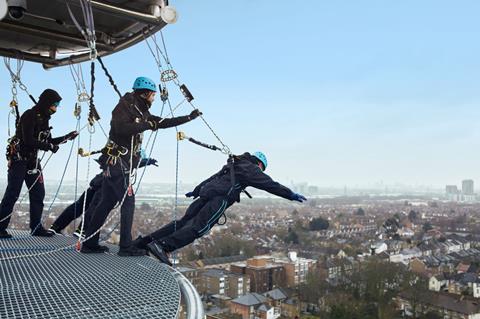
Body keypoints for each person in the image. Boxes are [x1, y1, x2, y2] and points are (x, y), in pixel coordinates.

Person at [81, 77, 202, 256]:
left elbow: (162, 122)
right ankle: (125, 247)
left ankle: (90, 243)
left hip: (116, 163)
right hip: (117, 162)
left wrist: (188, 118)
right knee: (128, 203)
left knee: (105, 203)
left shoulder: (140, 110)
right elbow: (120, 128)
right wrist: (146, 125)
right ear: (145, 94)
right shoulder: (125, 106)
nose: (154, 98)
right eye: (152, 95)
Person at [133, 151, 307, 265]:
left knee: (181, 223)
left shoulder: (234, 164)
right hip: (219, 200)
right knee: (197, 229)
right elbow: (270, 185)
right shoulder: (252, 169)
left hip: (205, 194)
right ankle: (163, 246)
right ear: (260, 165)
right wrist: (290, 194)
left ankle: (145, 242)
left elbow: (212, 178)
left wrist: (196, 190)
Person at [0, 89, 78, 238]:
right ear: (47, 103)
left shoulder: (44, 118)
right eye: (55, 104)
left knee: (38, 194)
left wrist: (67, 137)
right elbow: (28, 140)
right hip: (19, 160)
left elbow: (48, 141)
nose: (56, 107)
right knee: (12, 193)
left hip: (32, 162)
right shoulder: (29, 115)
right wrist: (49, 147)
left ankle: (36, 228)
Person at [49, 157, 158, 237]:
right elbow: (131, 163)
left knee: (81, 205)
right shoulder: (127, 148)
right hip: (106, 183)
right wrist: (146, 162)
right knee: (95, 206)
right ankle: (82, 230)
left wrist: (145, 162)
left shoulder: (118, 146)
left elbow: (130, 163)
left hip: (99, 181)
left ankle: (57, 226)